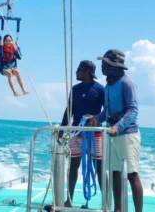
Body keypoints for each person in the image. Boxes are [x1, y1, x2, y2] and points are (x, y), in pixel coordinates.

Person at [87, 49, 143, 212]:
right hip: (111, 134)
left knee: (132, 174)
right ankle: (117, 209)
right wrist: (97, 118)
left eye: (104, 63)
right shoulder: (109, 86)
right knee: (115, 172)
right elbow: (107, 110)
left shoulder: (127, 83)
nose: (102, 66)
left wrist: (117, 127)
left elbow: (133, 110)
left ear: (112, 65)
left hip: (127, 135)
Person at [58, 60, 105, 208]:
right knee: (73, 167)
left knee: (99, 168)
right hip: (76, 133)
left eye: (78, 70)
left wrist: (96, 119)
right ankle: (69, 200)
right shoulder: (75, 89)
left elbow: (107, 111)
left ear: (86, 71)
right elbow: (69, 111)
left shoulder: (100, 89)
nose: (76, 72)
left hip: (94, 134)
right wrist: (62, 129)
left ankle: (106, 202)